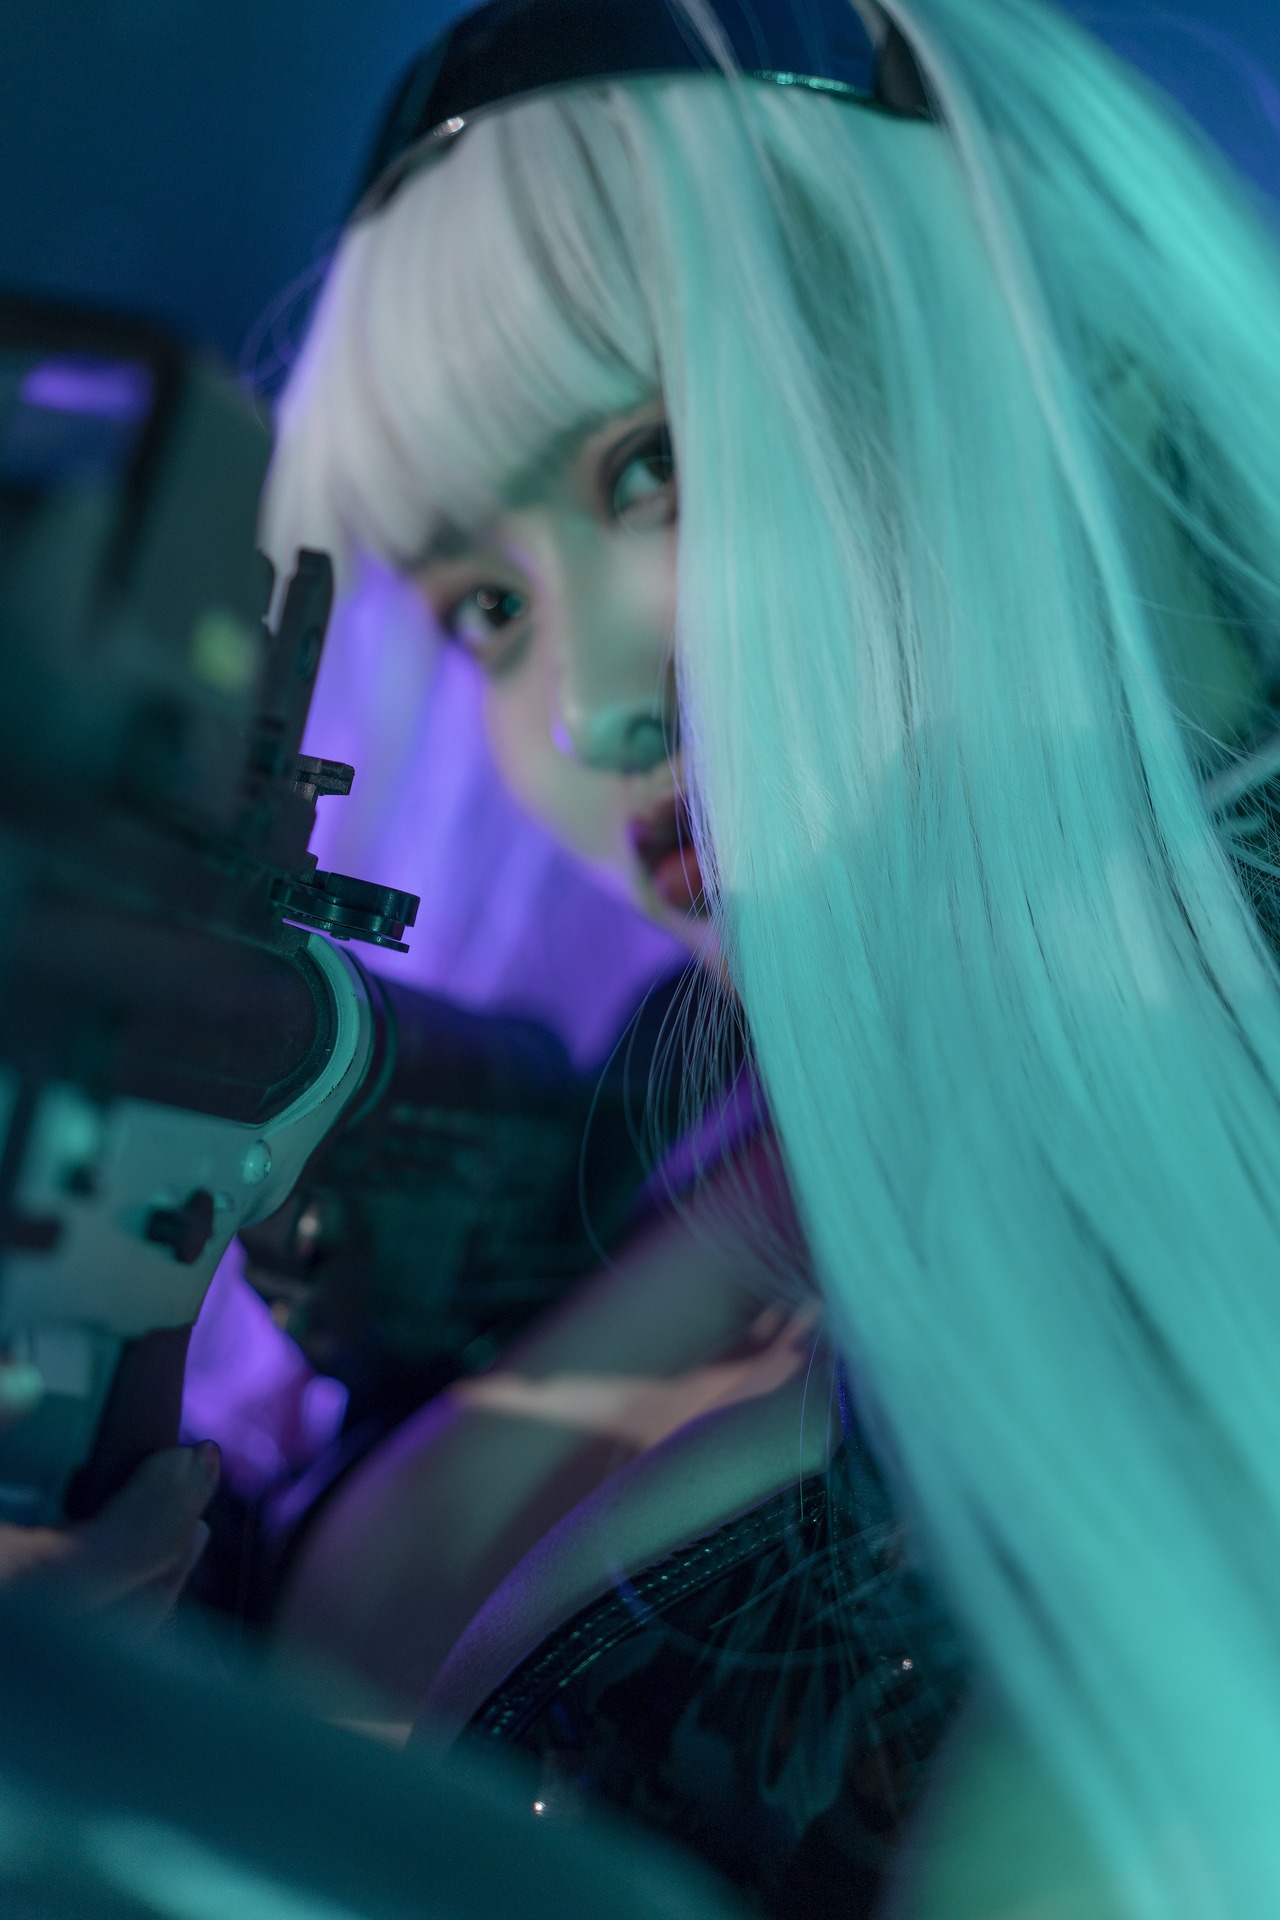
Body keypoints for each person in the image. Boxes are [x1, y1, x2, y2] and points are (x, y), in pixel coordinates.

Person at [260, 0, 1280, 1912]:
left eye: (655, 464)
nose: (584, 717)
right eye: (483, 607)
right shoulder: (680, 1126)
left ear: (1072, 356)